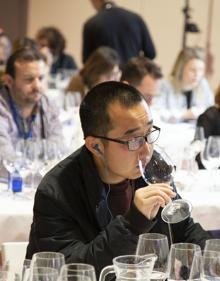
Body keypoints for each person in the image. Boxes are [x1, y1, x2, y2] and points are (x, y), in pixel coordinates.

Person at [26, 81, 210, 277]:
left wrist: (212, 257)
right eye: (133, 140)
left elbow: (184, 231)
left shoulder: (152, 170)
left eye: (148, 133)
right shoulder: (56, 191)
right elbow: (72, 272)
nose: (146, 150)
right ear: (96, 146)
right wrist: (133, 223)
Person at [0, 47, 63, 159]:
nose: (37, 86)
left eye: (41, 78)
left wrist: (22, 149)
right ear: (9, 81)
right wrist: (41, 150)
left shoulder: (48, 104)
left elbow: (59, 149)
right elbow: (5, 160)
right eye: (29, 79)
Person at [82, 0, 156, 65]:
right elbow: (151, 53)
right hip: (133, 78)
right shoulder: (136, 18)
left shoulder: (91, 24)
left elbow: (87, 61)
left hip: (107, 79)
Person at [157, 47, 214, 122]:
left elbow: (211, 110)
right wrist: (184, 114)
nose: (197, 74)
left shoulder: (203, 84)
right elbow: (157, 113)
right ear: (180, 69)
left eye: (200, 69)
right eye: (192, 70)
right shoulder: (165, 85)